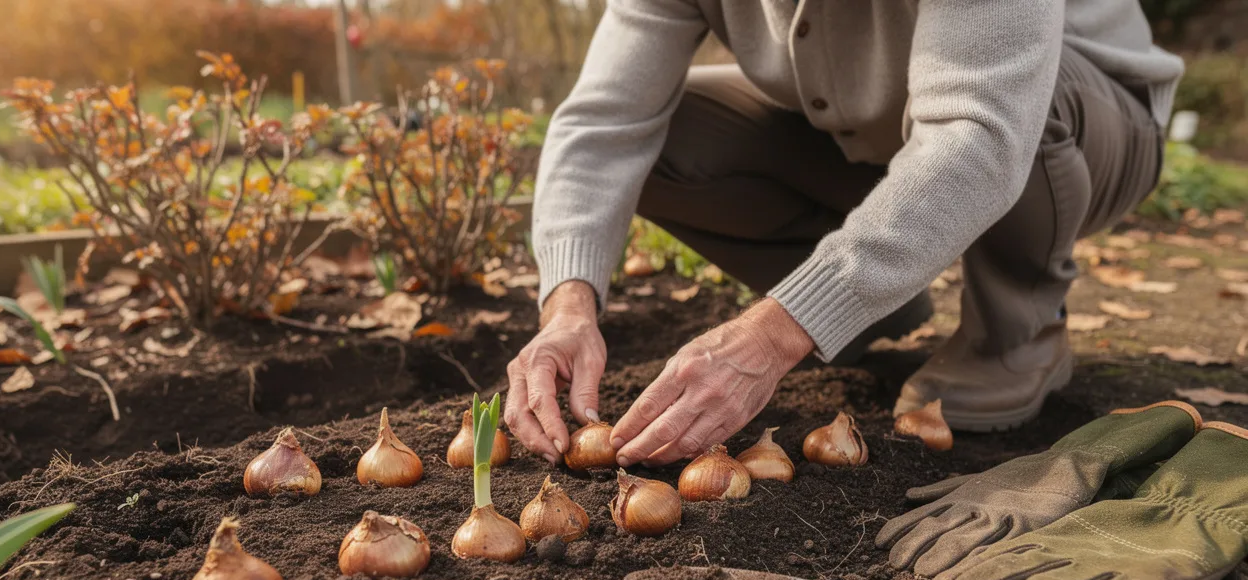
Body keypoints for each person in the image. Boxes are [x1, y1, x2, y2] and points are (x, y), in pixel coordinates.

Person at [504, 0, 1182, 468]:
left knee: (1030, 97)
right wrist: (567, 305)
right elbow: (603, 123)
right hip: (874, 136)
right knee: (666, 138)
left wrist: (771, 334)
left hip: (1090, 124)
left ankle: (1018, 333)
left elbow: (982, 133)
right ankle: (853, 306)